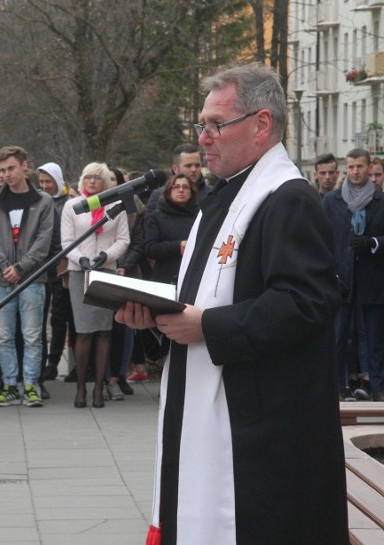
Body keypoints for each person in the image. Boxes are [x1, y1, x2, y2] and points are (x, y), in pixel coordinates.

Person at [116, 63, 347, 544]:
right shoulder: (221, 199)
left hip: (261, 430)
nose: (203, 138)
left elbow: (306, 302)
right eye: (202, 125)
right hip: (217, 409)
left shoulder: (288, 199)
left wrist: (208, 327)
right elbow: (198, 301)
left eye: (215, 125)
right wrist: (157, 319)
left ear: (262, 125)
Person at [0, 145, 54, 407]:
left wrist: (22, 267)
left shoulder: (43, 201)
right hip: (0, 279)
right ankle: (9, 384)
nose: (5, 175)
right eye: (0, 171)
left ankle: (31, 385)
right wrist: (4, 266)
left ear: (25, 165)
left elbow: (43, 241)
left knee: (33, 334)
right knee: (3, 335)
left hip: (32, 278)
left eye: (10, 168)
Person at [60, 163, 130, 408]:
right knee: (83, 331)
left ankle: (99, 388)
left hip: (105, 272)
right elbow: (67, 241)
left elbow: (123, 239)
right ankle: (81, 387)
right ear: (82, 180)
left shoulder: (116, 206)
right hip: (80, 272)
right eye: (88, 177)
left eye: (97, 178)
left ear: (106, 183)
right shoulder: (72, 206)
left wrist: (105, 256)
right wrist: (81, 259)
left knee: (103, 331)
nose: (92, 181)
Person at [322, 148, 384, 401]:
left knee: (375, 338)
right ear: (345, 169)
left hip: (373, 279)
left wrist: (374, 242)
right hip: (341, 279)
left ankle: (379, 387)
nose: (355, 171)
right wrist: (330, 273)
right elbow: (322, 239)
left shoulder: (380, 200)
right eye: (350, 167)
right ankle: (336, 387)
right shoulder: (331, 200)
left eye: (359, 167)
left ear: (369, 168)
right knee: (338, 337)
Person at [36, 162, 73, 382]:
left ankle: (53, 361)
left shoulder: (66, 203)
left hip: (61, 268)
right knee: (38, 321)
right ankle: (40, 365)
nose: (45, 186)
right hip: (41, 268)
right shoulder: (39, 203)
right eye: (41, 182)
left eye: (48, 181)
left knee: (59, 318)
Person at [143, 174, 199, 285]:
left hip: (193, 277)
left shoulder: (200, 216)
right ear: (169, 191)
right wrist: (178, 246)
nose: (181, 190)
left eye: (185, 187)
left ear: (192, 191)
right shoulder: (157, 216)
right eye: (176, 187)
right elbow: (150, 249)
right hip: (164, 277)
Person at [146, 144, 211, 216]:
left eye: (197, 165)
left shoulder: (212, 194)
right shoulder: (159, 195)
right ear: (175, 169)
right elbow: (150, 224)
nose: (193, 170)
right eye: (188, 166)